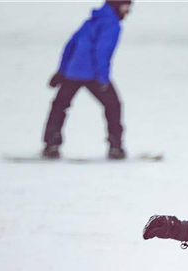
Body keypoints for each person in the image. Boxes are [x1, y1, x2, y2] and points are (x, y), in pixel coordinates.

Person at [42, 0, 131, 160]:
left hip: (72, 72)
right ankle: (116, 146)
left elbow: (71, 45)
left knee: (59, 105)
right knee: (113, 105)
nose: (128, 12)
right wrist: (102, 79)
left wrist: (62, 71)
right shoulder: (111, 24)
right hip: (92, 75)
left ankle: (51, 144)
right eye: (126, 7)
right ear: (116, 6)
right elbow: (102, 52)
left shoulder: (91, 21)